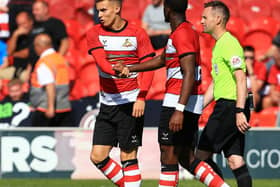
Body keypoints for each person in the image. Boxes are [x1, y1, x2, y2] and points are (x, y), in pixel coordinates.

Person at [114, 0, 229, 187]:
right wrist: (130, 68)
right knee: (186, 157)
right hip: (188, 100)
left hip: (178, 100)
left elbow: (189, 72)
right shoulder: (181, 32)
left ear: (167, 9)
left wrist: (179, 109)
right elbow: (162, 59)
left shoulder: (182, 33)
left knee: (168, 154)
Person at [86, 0, 155, 187]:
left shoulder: (137, 33)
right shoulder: (94, 32)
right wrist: (116, 69)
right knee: (97, 156)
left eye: (103, 10)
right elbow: (102, 62)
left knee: (128, 155)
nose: (99, 14)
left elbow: (149, 67)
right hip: (107, 104)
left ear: (117, 9)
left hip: (130, 104)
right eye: (97, 10)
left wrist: (141, 97)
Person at [196, 1, 252, 187]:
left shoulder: (229, 43)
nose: (201, 21)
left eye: (205, 17)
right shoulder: (219, 45)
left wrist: (238, 111)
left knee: (200, 157)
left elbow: (241, 78)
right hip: (232, 106)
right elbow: (216, 82)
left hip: (230, 107)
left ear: (218, 19)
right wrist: (198, 107)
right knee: (235, 160)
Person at [30, 33, 71, 127]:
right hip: (63, 106)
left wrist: (50, 107)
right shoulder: (61, 59)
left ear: (39, 46)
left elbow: (50, 85)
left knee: (40, 138)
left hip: (45, 108)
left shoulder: (44, 62)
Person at [30, 0, 69, 66]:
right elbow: (31, 49)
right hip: (35, 66)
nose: (34, 12)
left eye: (37, 10)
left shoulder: (55, 23)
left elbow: (65, 42)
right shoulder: (33, 25)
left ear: (45, 10)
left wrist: (57, 59)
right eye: (33, 10)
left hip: (50, 64)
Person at [1, 11, 33, 81]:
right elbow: (8, 51)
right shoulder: (17, 35)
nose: (21, 27)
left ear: (31, 22)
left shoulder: (36, 34)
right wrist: (15, 35)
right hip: (15, 69)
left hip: (28, 70)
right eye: (19, 24)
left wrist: (12, 54)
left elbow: (28, 53)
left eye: (24, 23)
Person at [244, 45, 268, 110]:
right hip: (241, 95)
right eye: (245, 58)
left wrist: (250, 71)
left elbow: (256, 89)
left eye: (251, 58)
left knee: (252, 95)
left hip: (257, 97)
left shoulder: (261, 67)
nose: (248, 60)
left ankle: (251, 116)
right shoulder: (239, 67)